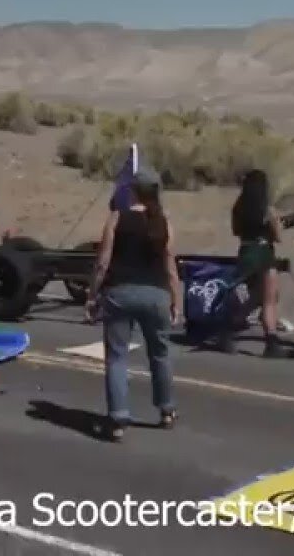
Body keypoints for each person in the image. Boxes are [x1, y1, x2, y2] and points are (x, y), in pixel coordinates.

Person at [84, 166, 182, 442]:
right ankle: (166, 410)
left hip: (120, 293)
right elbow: (170, 265)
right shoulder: (163, 222)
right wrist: (177, 301)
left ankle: (118, 419)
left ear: (133, 191)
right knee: (160, 354)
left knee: (117, 357)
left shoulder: (117, 218)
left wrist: (92, 295)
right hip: (156, 295)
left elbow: (102, 261)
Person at [219, 169, 287, 357]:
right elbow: (278, 236)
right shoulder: (267, 210)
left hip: (247, 251)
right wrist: (277, 226)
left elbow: (235, 230)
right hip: (265, 253)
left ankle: (228, 334)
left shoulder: (238, 208)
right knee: (269, 300)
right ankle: (271, 342)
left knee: (249, 296)